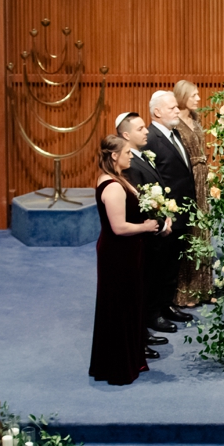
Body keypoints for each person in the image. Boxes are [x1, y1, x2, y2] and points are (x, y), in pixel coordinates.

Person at [88, 135, 159, 386]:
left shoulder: (118, 180)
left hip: (126, 252)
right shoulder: (113, 186)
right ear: (114, 156)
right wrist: (146, 226)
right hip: (117, 254)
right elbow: (118, 227)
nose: (131, 156)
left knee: (127, 305)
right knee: (119, 307)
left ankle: (126, 359)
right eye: (127, 152)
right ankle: (118, 367)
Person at [116, 111, 173, 358]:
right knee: (141, 287)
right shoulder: (129, 165)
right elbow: (138, 205)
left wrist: (166, 216)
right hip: (142, 236)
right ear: (126, 135)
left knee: (151, 282)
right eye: (140, 128)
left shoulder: (143, 156)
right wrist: (157, 225)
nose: (146, 130)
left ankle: (143, 330)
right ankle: (139, 334)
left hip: (154, 230)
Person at [144, 90, 196, 330]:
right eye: (172, 108)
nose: (178, 110)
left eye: (177, 107)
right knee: (159, 266)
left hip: (182, 213)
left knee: (173, 264)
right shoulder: (151, 138)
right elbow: (150, 180)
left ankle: (167, 305)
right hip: (167, 216)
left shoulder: (174, 133)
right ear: (157, 112)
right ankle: (154, 313)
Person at [172, 80, 212, 307]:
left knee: (203, 231)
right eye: (194, 95)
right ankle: (185, 292)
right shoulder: (175, 123)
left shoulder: (195, 119)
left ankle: (203, 289)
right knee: (190, 233)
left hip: (202, 176)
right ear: (182, 97)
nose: (199, 99)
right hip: (188, 178)